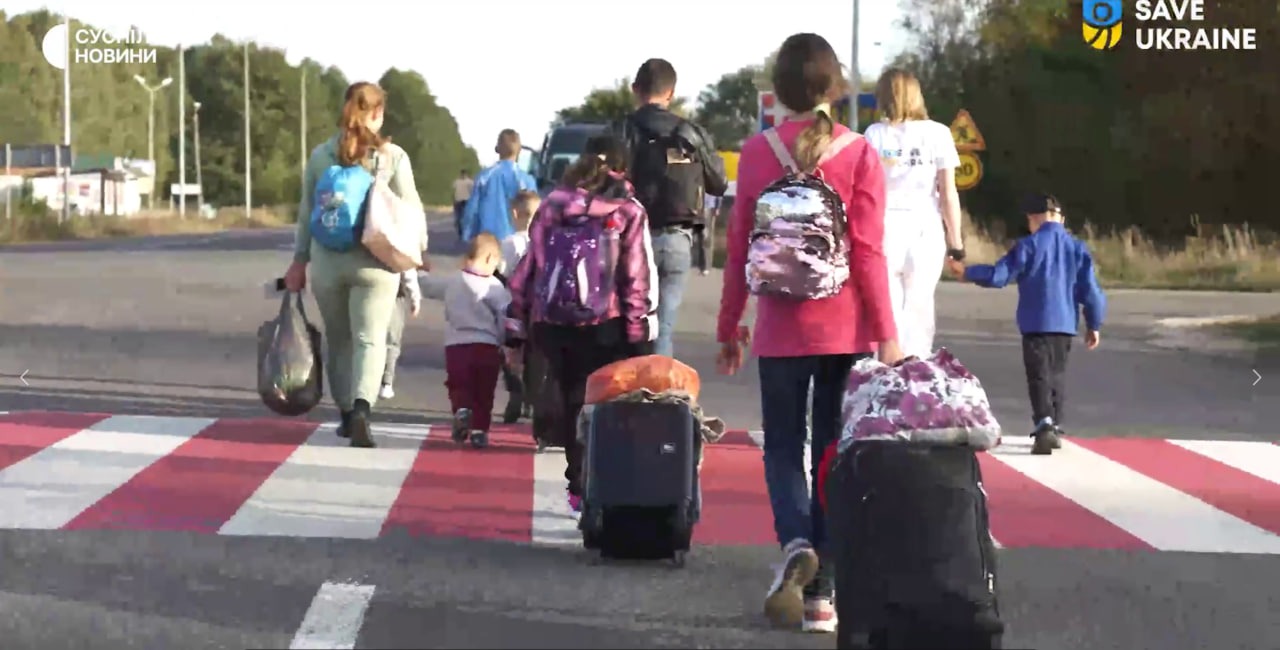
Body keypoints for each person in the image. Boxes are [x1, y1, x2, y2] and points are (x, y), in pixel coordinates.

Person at [716, 33, 902, 634]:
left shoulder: (757, 152)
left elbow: (739, 247)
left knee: (781, 446)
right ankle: (823, 595)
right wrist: (887, 333)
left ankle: (796, 541)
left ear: (779, 90)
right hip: (844, 327)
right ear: (835, 87)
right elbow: (868, 251)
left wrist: (729, 325)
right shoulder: (858, 152)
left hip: (779, 328)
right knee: (830, 449)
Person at [504, 134, 658, 513]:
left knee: (573, 397)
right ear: (621, 166)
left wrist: (515, 329)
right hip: (606, 325)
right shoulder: (628, 210)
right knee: (608, 404)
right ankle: (606, 486)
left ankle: (577, 485)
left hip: (552, 323)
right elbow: (635, 277)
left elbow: (529, 269)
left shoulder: (552, 205)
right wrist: (639, 335)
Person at [285, 81, 423, 449]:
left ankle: (346, 414)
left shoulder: (321, 155)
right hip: (376, 262)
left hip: (327, 262)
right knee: (370, 339)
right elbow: (410, 210)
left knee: (339, 340)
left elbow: (306, 214)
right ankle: (363, 408)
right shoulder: (392, 156)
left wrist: (299, 260)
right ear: (377, 113)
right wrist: (417, 253)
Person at [947, 193, 1106, 455]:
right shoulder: (1077, 248)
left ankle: (1044, 424)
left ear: (1033, 219)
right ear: (1061, 219)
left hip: (1035, 323)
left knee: (1038, 376)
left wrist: (968, 272)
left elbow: (1000, 275)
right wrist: (1094, 323)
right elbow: (1091, 291)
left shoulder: (1028, 246)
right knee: (1057, 375)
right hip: (1066, 325)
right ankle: (1055, 424)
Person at [618, 58, 728, 358]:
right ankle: (656, 385)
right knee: (662, 328)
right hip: (677, 239)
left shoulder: (621, 130)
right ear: (671, 93)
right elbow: (719, 183)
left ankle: (627, 384)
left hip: (628, 240)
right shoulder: (691, 132)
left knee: (624, 329)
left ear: (635, 89)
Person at [862, 68, 965, 359]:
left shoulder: (874, 134)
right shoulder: (938, 133)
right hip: (925, 227)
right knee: (920, 306)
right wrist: (956, 245)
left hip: (884, 227)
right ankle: (917, 367)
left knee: (888, 309)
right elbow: (948, 193)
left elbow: (866, 191)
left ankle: (888, 371)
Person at [444, 233, 510, 449]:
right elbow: (504, 316)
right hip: (486, 345)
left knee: (459, 383)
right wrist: (504, 341)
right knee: (484, 390)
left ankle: (462, 409)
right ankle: (480, 430)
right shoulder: (495, 287)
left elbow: (428, 285)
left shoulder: (453, 280)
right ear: (490, 258)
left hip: (456, 344)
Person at [498, 189, 541, 424]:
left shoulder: (509, 242)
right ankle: (532, 399)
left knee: (509, 352)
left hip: (512, 308)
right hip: (536, 308)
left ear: (515, 213)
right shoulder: (543, 242)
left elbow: (500, 273)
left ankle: (515, 389)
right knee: (534, 354)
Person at [462, 129, 537, 244]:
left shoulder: (484, 177)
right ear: (519, 150)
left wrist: (468, 236)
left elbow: (472, 212)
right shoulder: (527, 180)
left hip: (488, 242)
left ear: (497, 149)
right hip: (519, 242)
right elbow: (535, 213)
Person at [379, 269, 423, 400]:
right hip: (392, 293)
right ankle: (386, 382)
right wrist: (415, 297)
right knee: (391, 340)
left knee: (363, 338)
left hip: (362, 290)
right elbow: (407, 269)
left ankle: (360, 383)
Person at [452, 169, 474, 237]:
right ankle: (466, 228)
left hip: (458, 200)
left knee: (458, 215)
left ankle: (459, 226)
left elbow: (453, 190)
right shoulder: (470, 182)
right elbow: (473, 191)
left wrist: (453, 199)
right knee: (467, 215)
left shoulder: (456, 181)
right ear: (466, 174)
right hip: (466, 200)